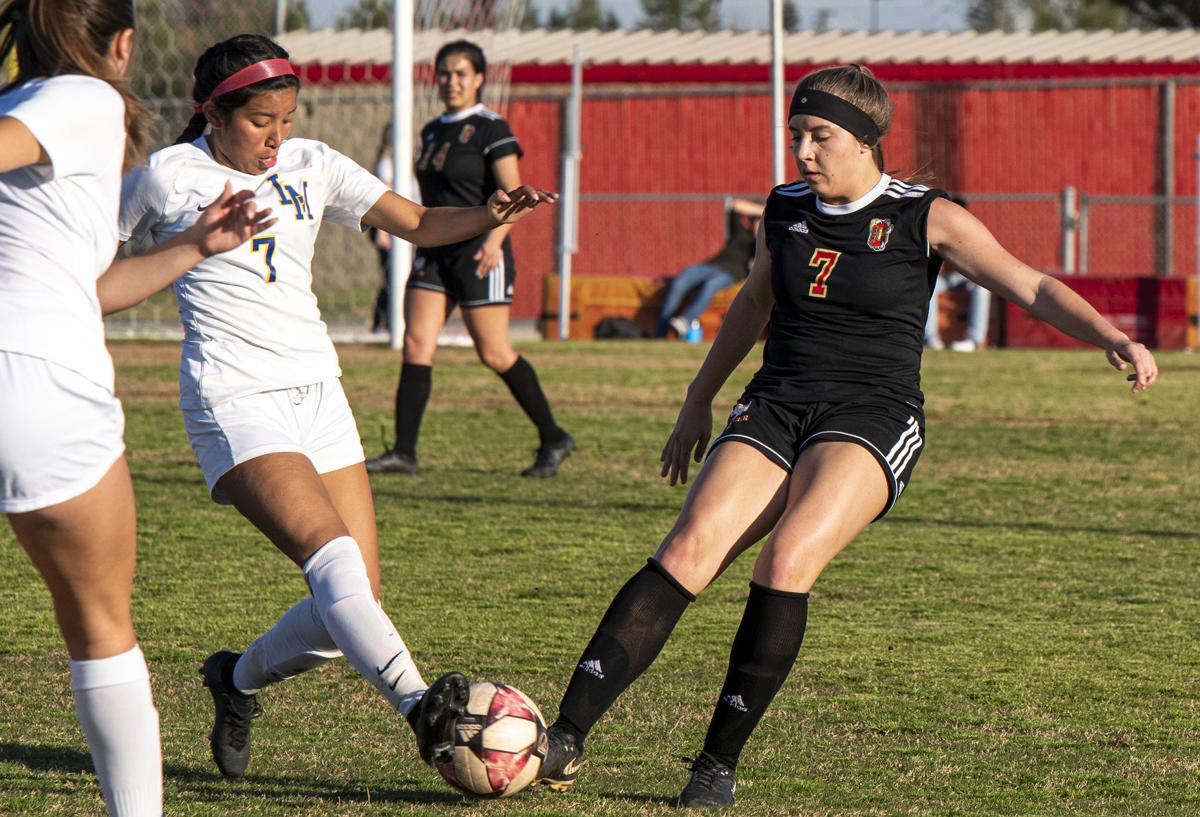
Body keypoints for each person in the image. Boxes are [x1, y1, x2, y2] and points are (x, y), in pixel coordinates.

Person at [532, 64, 1157, 808]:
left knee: (787, 557)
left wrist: (1110, 335)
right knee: (686, 550)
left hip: (873, 414)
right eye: (796, 135)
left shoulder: (928, 216)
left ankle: (714, 768)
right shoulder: (785, 209)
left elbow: (1030, 284)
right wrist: (698, 398)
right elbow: (749, 306)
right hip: (777, 402)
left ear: (865, 141)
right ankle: (564, 735)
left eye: (819, 136)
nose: (802, 151)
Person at [116, 33, 555, 781]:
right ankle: (424, 708)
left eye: (287, 118)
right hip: (235, 399)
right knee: (337, 568)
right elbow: (98, 261)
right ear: (212, 114)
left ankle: (236, 678)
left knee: (351, 607)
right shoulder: (165, 176)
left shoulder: (312, 162)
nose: (276, 136)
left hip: (321, 394)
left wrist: (487, 214)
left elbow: (415, 222)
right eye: (260, 121)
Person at [0, 3, 270, 815]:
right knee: (99, 621)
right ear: (122, 45)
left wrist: (189, 247)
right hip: (38, 381)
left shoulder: (25, 110)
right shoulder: (84, 99)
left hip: (35, 357)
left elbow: (87, 289)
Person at [365, 40, 574, 478]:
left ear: (479, 78)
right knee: (417, 344)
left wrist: (495, 242)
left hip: (480, 252)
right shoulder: (432, 130)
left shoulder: (491, 129)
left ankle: (554, 436)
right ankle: (404, 452)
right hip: (434, 252)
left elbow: (516, 196)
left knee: (495, 353)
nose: (451, 81)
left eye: (461, 73)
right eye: (444, 73)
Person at [656, 198, 763, 339]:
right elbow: (735, 206)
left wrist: (762, 231)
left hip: (730, 274)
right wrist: (763, 210)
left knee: (710, 286)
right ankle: (661, 332)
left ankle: (684, 322)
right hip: (710, 266)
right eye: (756, 220)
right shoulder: (740, 233)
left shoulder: (764, 243)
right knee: (682, 279)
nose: (757, 223)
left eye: (761, 221)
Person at [925, 195, 991, 351]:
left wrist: (977, 277)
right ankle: (930, 339)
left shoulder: (970, 230)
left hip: (965, 277)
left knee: (982, 289)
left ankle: (975, 340)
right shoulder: (936, 228)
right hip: (943, 277)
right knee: (927, 287)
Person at [369, 122, 393, 333]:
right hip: (389, 229)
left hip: (400, 231)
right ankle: (380, 321)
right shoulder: (386, 163)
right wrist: (383, 233)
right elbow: (384, 198)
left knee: (400, 275)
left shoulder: (406, 162)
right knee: (391, 276)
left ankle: (393, 320)